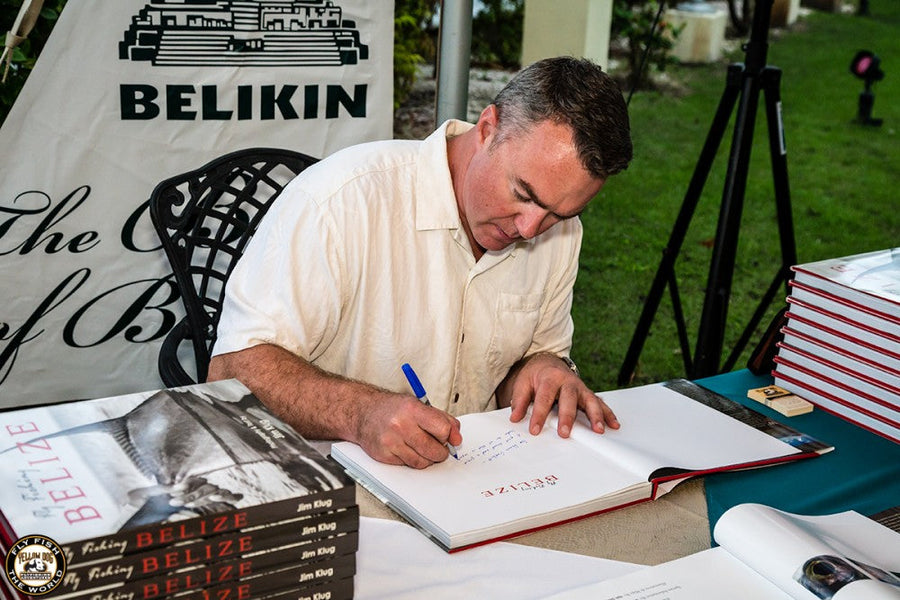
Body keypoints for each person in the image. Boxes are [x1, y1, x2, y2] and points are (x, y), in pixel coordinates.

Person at [208, 56, 633, 469]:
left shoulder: (560, 233)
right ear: (487, 129)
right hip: (328, 481)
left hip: (475, 478)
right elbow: (230, 371)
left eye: (559, 214)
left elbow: (528, 359)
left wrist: (541, 372)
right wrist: (358, 414)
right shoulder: (341, 201)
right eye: (523, 194)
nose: (529, 228)